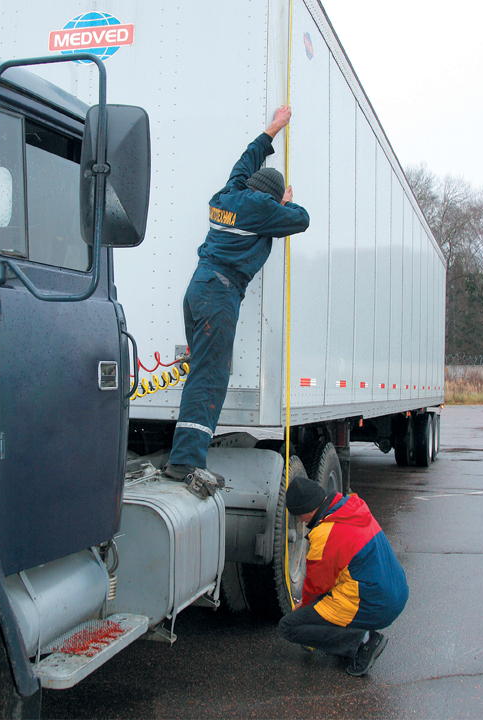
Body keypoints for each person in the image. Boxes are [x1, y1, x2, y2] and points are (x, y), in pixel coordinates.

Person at [163, 106, 310, 484]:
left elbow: (246, 161)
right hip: (219, 295)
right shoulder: (262, 209)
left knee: (202, 373)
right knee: (209, 378)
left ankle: (185, 454)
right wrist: (282, 205)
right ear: (270, 198)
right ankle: (186, 462)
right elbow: (302, 219)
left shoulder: (229, 193)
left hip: (198, 289)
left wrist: (273, 129)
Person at [277, 476, 409, 677]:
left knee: (289, 626)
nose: (301, 521)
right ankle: (351, 637)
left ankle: (364, 642)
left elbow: (316, 586)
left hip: (376, 603)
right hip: (396, 592)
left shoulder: (325, 534)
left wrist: (303, 608)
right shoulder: (351, 507)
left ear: (307, 510)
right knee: (326, 599)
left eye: (300, 516)